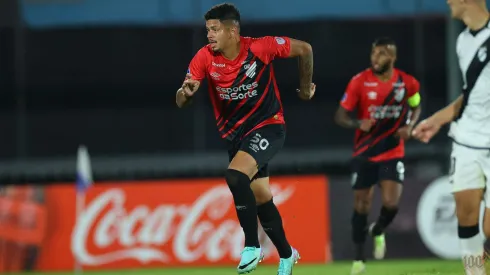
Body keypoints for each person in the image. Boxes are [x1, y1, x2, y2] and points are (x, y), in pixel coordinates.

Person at [175, 3, 315, 274]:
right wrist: (186, 93)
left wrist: (306, 87)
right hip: (236, 136)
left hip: (268, 126)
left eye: (215, 29)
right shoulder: (204, 58)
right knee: (261, 196)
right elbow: (180, 100)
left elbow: (305, 48)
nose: (209, 35)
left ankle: (252, 246)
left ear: (233, 31)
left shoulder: (260, 48)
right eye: (207, 30)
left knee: (235, 177)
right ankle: (287, 254)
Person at [412, 1, 490, 274]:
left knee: (489, 229)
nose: (447, 2)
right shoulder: (462, 42)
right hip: (467, 140)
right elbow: (470, 95)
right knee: (465, 216)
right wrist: (436, 120)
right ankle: (474, 272)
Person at [334, 37, 422, 275]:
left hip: (392, 152)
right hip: (364, 154)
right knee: (361, 205)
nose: (376, 58)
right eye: (374, 53)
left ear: (392, 57)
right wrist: (356, 122)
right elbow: (340, 115)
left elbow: (416, 106)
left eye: (382, 54)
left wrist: (410, 126)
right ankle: (360, 259)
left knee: (391, 205)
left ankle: (379, 229)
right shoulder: (359, 82)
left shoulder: (407, 83)